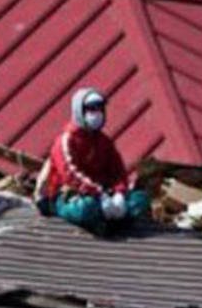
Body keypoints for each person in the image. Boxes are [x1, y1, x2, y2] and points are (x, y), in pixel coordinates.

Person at [35, 88, 149, 230]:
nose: (97, 113)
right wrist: (98, 194)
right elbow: (70, 175)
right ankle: (102, 219)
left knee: (140, 199)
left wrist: (119, 192)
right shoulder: (66, 140)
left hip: (103, 194)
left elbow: (118, 170)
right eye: (91, 109)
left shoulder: (104, 141)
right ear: (80, 111)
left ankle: (112, 219)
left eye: (100, 108)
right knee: (85, 208)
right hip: (71, 194)